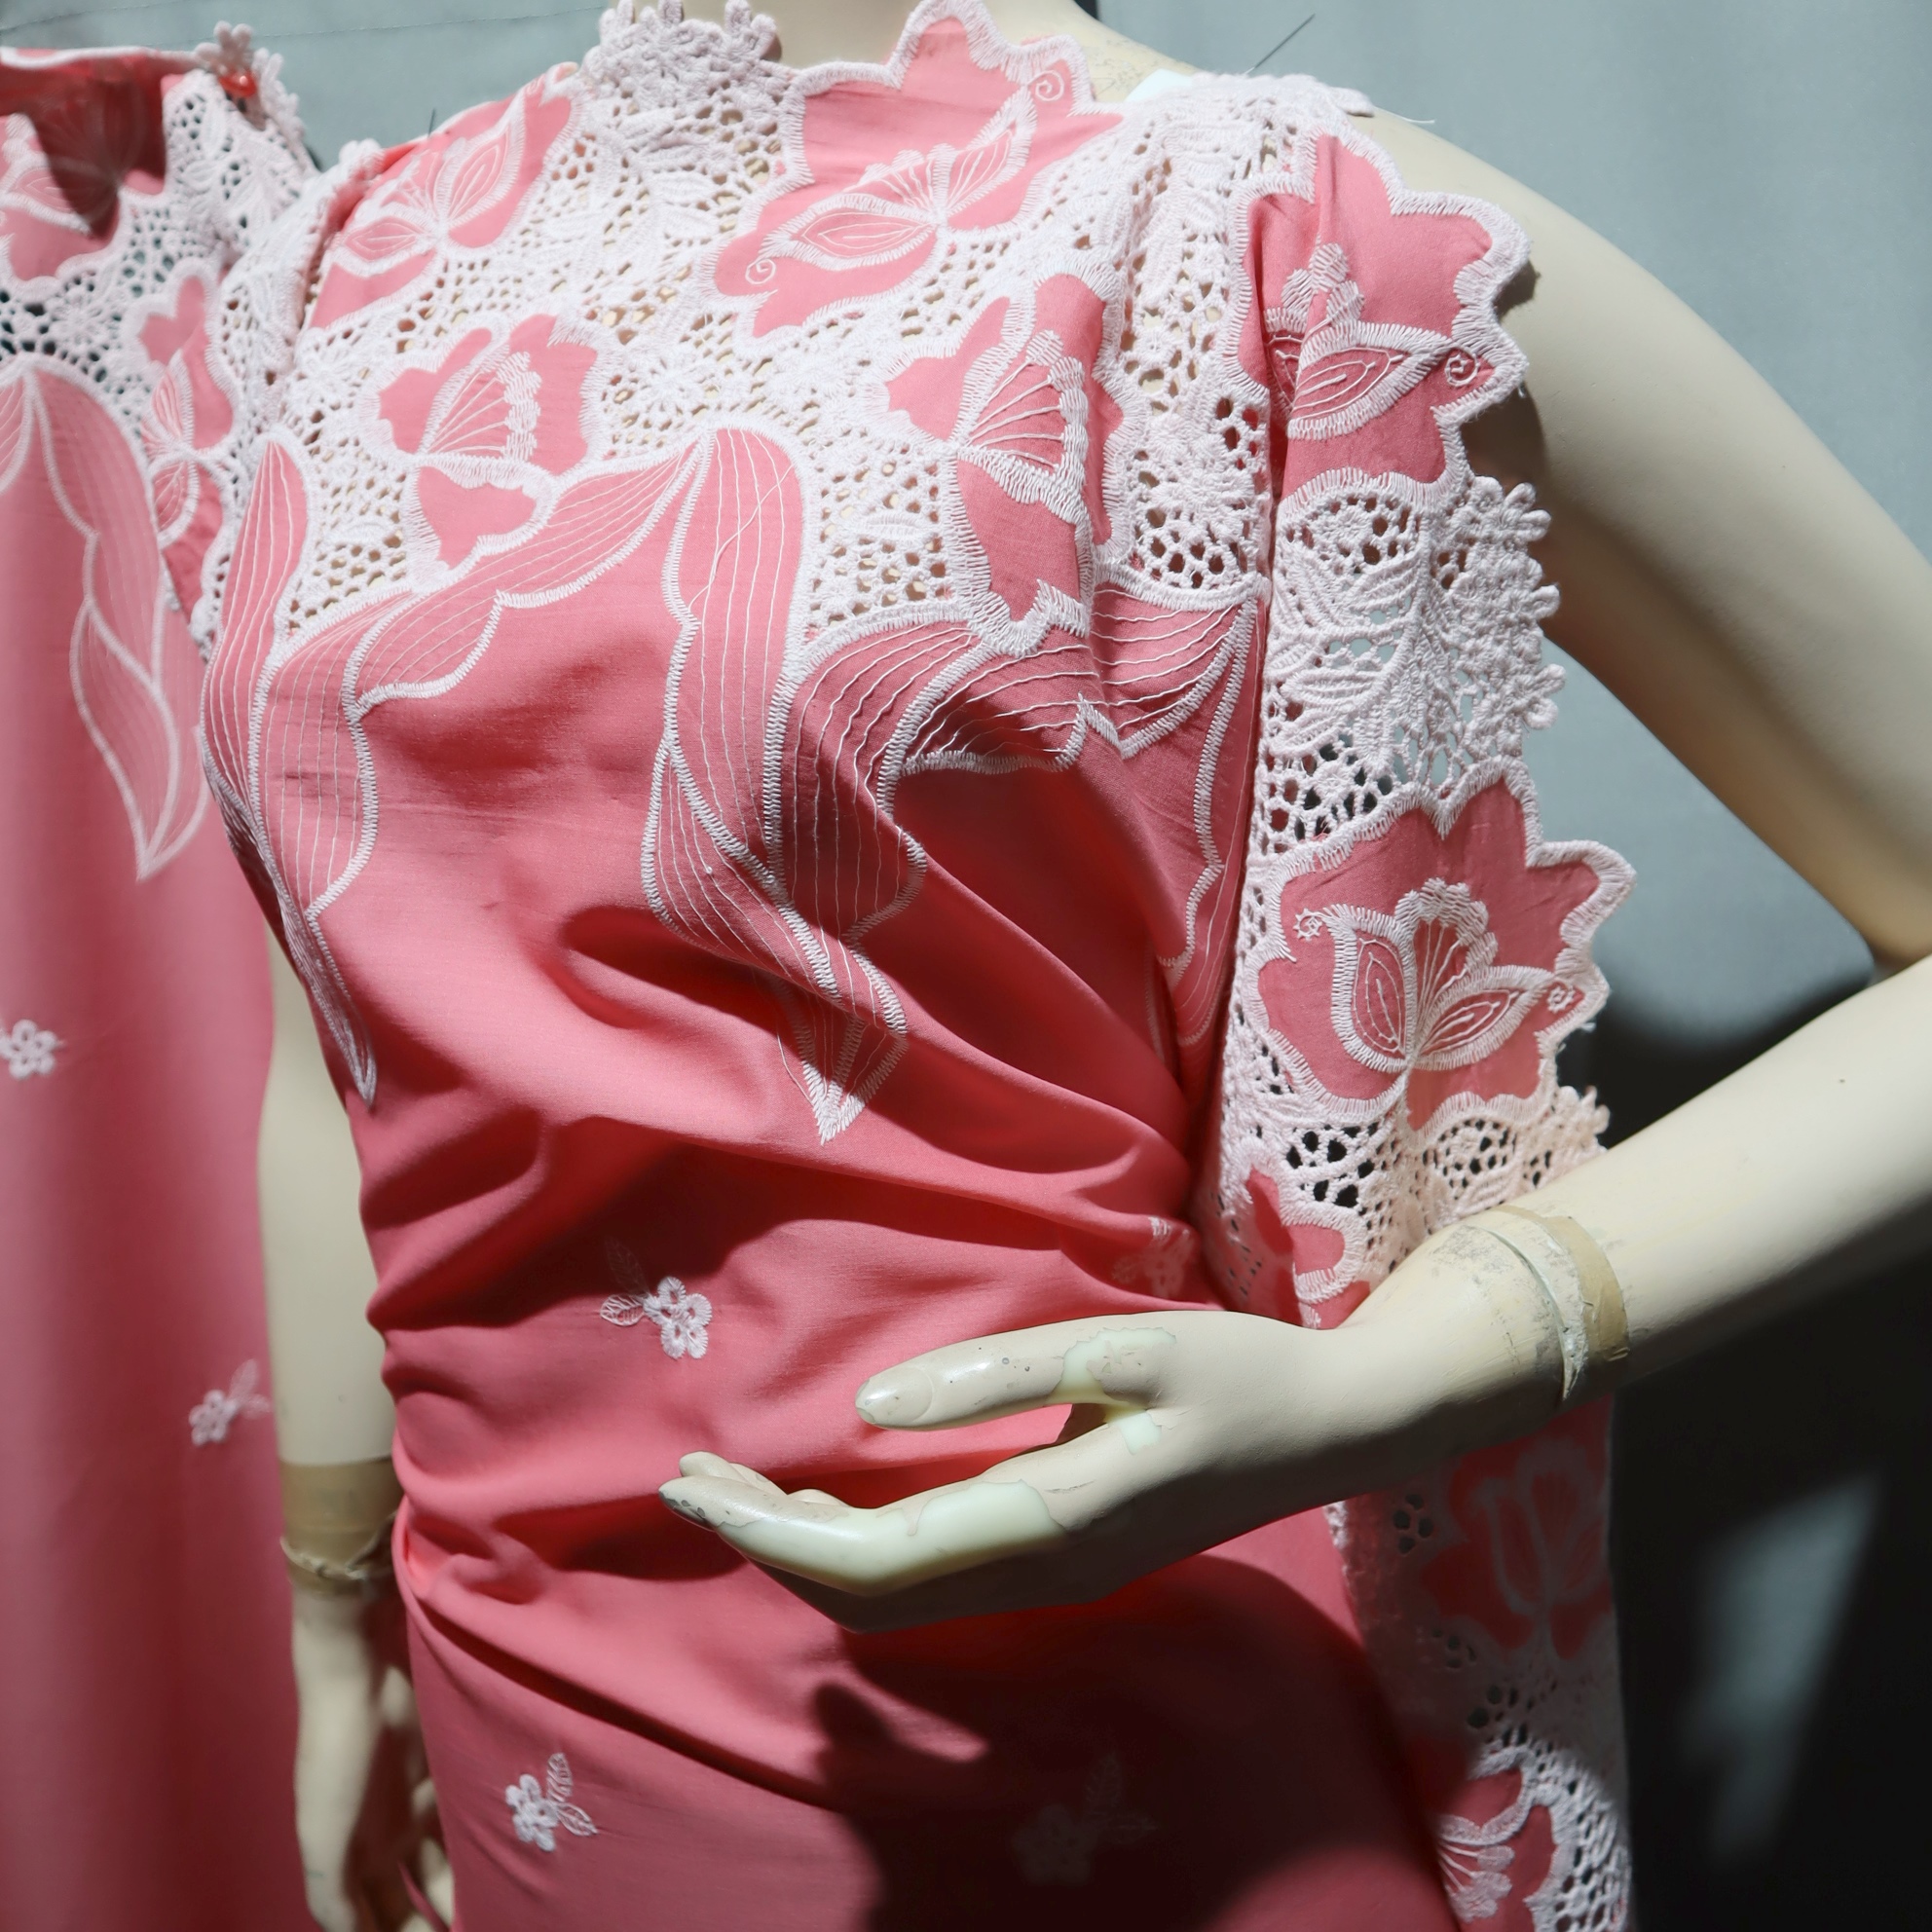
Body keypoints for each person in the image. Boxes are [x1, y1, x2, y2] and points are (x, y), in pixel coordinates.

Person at [184, 3, 1932, 1926]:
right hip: (525, 1717)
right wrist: (327, 1599)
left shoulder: (1271, 226)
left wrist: (1412, 1368)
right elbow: (342, 1010)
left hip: (1098, 1737)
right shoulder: (349, 259)